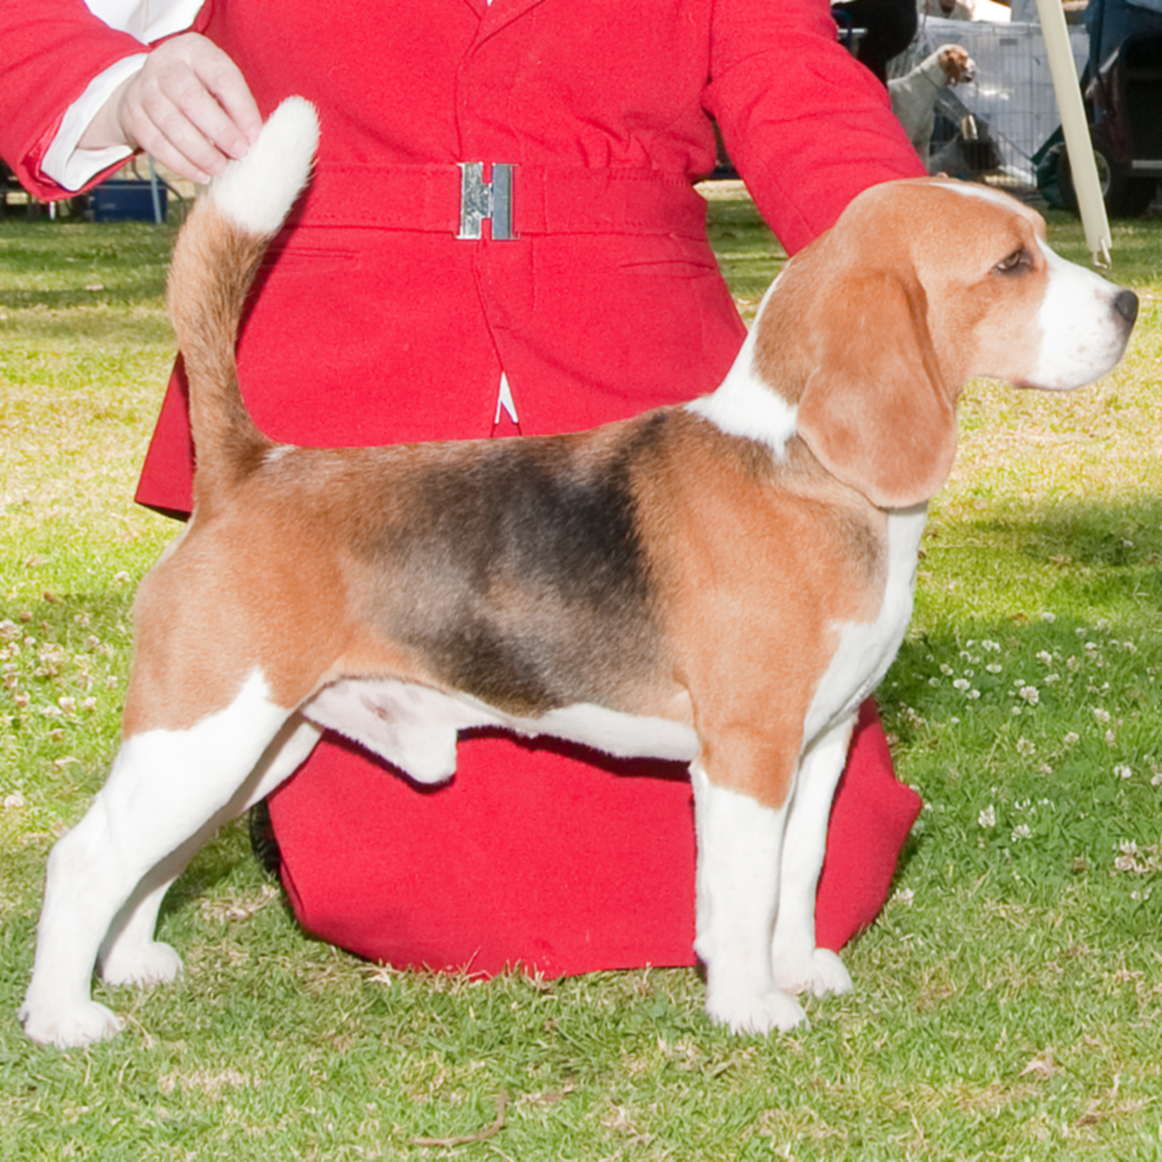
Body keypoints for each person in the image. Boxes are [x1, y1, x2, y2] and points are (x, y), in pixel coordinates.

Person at [0, 0, 924, 980]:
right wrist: (130, 86)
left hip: (642, 396)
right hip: (349, 391)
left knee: (803, 865)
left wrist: (920, 281)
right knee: (452, 908)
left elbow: (798, 89)